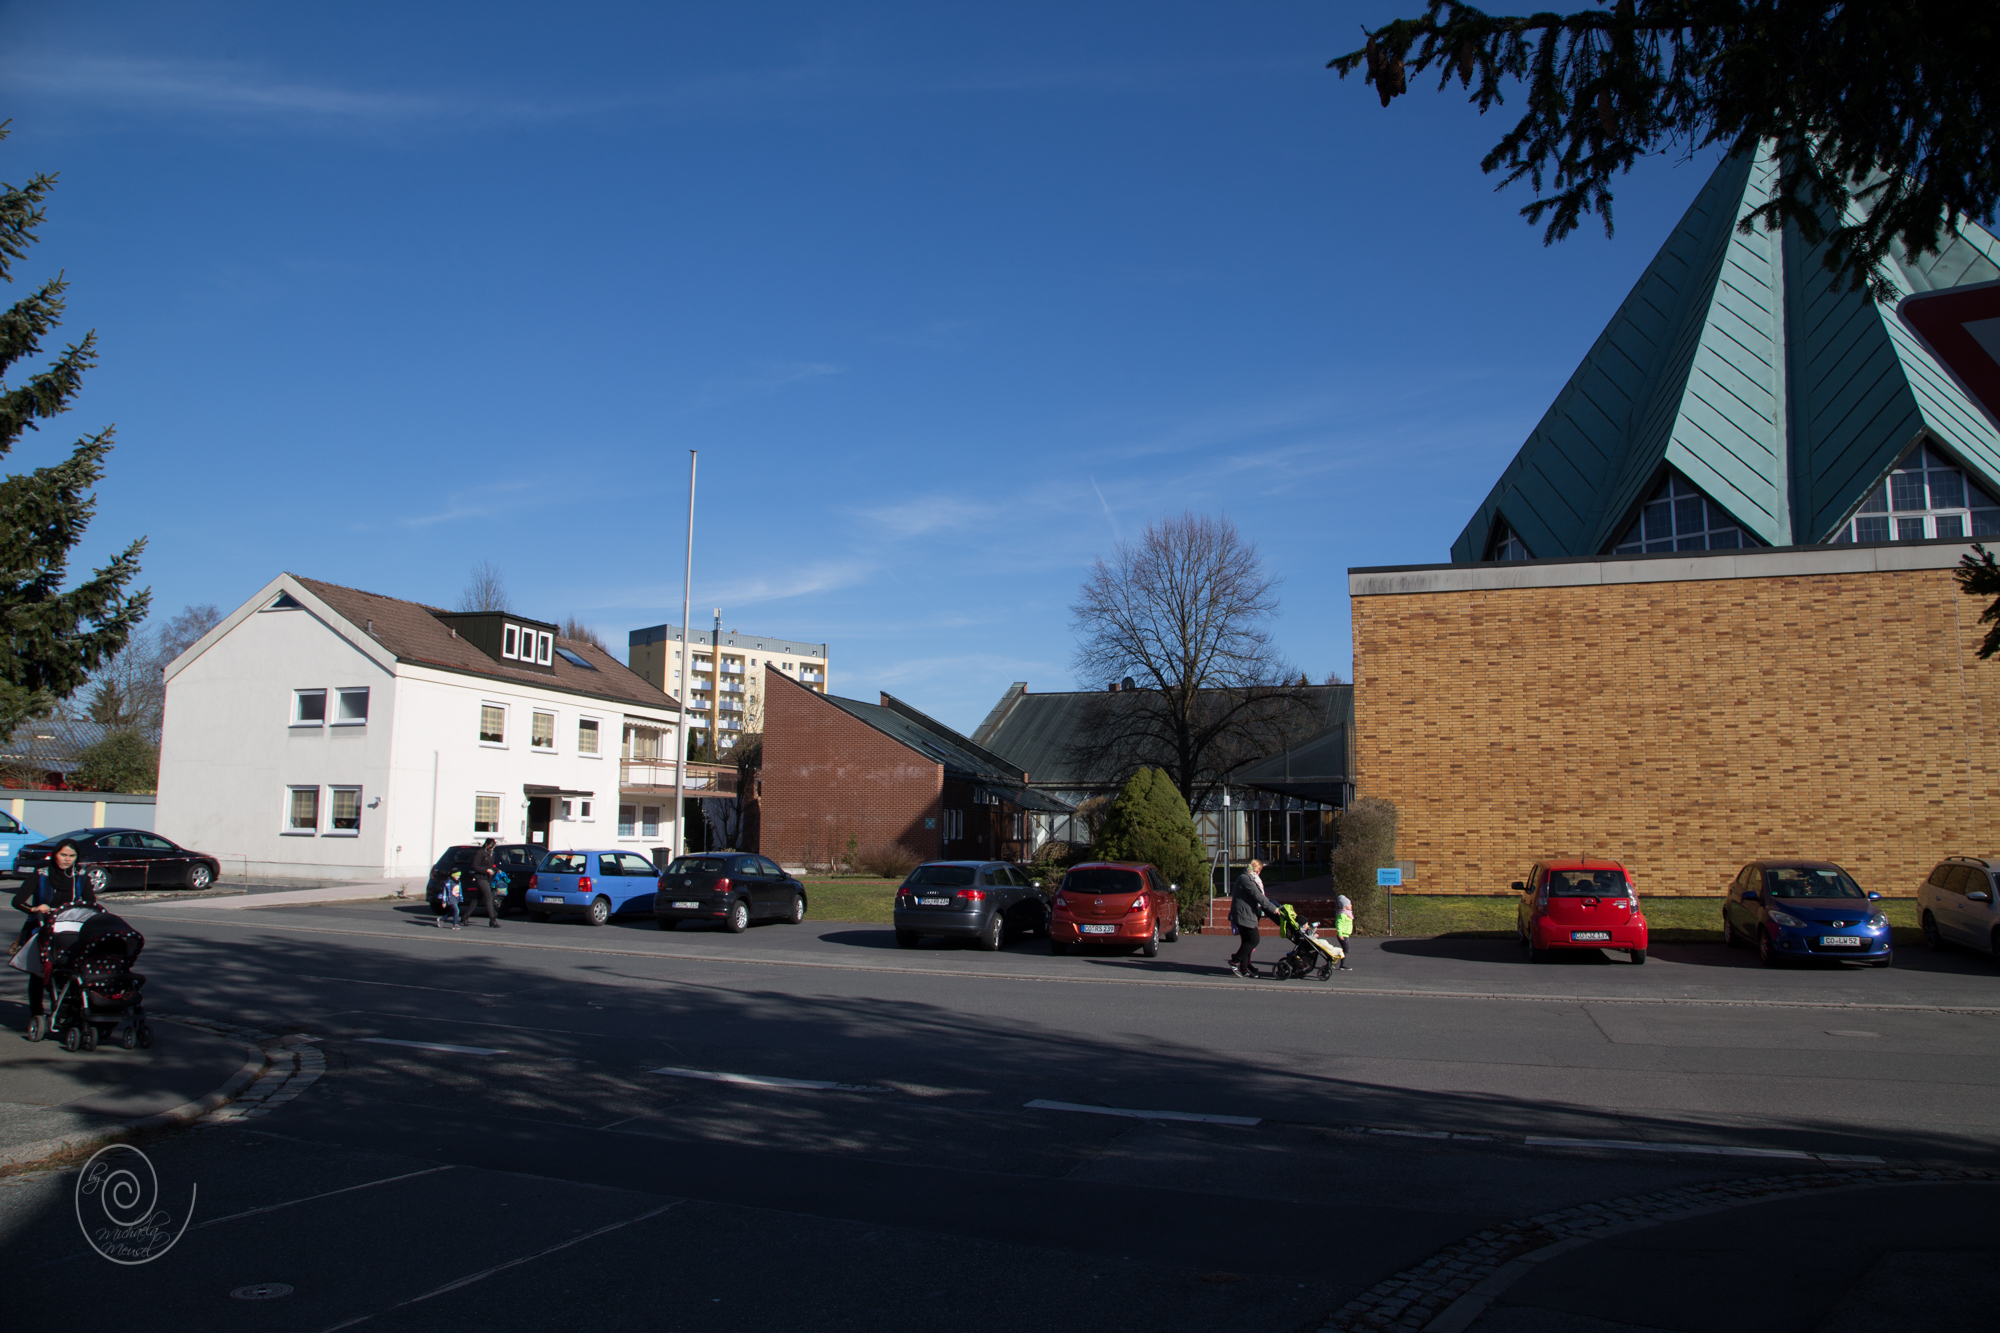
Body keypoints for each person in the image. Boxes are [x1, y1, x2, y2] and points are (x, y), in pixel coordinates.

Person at [10, 840, 93, 1030]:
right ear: (55, 855)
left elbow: (90, 902)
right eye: (63, 855)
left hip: (69, 929)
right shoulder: (41, 874)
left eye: (71, 856)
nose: (67, 860)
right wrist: (34, 908)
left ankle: (68, 1010)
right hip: (42, 927)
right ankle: (37, 1012)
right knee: (39, 972)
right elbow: (17, 901)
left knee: (70, 971)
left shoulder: (80, 876)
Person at [1228, 858, 1281, 978]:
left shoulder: (1249, 878)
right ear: (1256, 870)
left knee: (1247, 941)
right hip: (1243, 915)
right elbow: (1258, 896)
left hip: (1247, 914)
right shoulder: (1246, 879)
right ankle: (1234, 961)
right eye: (1259, 870)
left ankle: (1244, 968)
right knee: (1254, 940)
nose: (1259, 873)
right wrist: (1273, 908)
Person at [470, 838, 501, 928]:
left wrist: (497, 870)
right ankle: (492, 919)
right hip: (480, 877)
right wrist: (486, 870)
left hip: (487, 878)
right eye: (491, 847)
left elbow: (490, 865)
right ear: (487, 845)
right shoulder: (480, 853)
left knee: (477, 899)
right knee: (489, 897)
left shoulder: (491, 854)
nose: (492, 849)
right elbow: (475, 866)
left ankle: (465, 916)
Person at [1333, 894, 1354, 970]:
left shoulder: (1348, 914)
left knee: (1345, 949)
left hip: (1346, 935)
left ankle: (1334, 962)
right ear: (1345, 907)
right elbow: (1339, 924)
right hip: (1343, 935)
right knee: (1347, 950)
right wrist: (1340, 934)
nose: (1351, 905)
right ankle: (1342, 965)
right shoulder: (1342, 915)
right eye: (1349, 904)